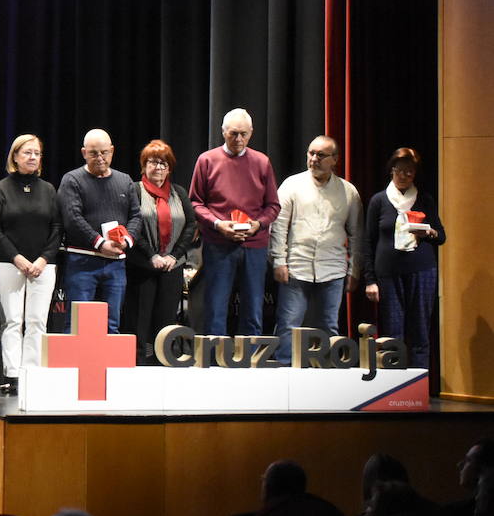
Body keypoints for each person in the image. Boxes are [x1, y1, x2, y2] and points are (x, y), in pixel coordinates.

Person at [188, 108, 280, 337]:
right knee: (215, 306)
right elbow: (196, 203)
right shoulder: (207, 160)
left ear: (251, 133)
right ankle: (213, 361)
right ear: (223, 132)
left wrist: (258, 224)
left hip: (254, 245)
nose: (238, 139)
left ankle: (251, 359)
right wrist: (219, 224)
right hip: (218, 243)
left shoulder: (262, 162)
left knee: (253, 308)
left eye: (244, 134)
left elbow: (273, 206)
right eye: (233, 134)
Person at [270, 136, 362, 365]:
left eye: (321, 155)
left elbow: (357, 235)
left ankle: (326, 378)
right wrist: (279, 261)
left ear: (335, 160)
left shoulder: (348, 191)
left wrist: (355, 271)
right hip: (296, 267)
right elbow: (278, 226)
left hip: (333, 268)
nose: (314, 159)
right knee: (289, 324)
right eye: (311, 153)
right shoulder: (292, 185)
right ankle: (285, 374)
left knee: (328, 325)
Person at [0, 134, 63, 394]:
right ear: (15, 157)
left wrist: (43, 259)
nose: (33, 157)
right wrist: (17, 258)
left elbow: (57, 227)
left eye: (37, 153)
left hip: (44, 265)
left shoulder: (49, 189)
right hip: (9, 263)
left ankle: (32, 373)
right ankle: (13, 375)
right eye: (27, 153)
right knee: (12, 320)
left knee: (37, 321)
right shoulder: (0, 189)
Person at [362, 147, 446, 369]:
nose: (404, 175)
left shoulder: (424, 200)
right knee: (392, 332)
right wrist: (370, 279)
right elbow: (368, 242)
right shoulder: (379, 201)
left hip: (422, 271)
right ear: (392, 170)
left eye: (410, 172)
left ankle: (418, 387)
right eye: (400, 170)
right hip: (388, 273)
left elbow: (441, 236)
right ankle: (394, 389)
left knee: (420, 330)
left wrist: (428, 233)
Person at [56, 129, 140, 333]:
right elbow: (72, 218)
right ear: (84, 153)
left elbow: (136, 216)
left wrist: (126, 241)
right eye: (94, 153)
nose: (100, 158)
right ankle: (73, 365)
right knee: (77, 324)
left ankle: (109, 366)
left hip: (116, 265)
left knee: (112, 324)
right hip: (81, 262)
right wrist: (100, 244)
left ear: (112, 151)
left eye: (104, 152)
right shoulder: (72, 180)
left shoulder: (125, 180)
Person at [125, 140, 197, 365]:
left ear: (170, 167)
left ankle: (161, 365)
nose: (158, 168)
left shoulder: (179, 193)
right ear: (143, 165)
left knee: (165, 322)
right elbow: (133, 227)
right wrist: (152, 256)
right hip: (142, 268)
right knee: (139, 321)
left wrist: (174, 256)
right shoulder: (134, 191)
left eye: (163, 163)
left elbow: (191, 226)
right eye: (153, 162)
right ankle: (135, 366)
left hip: (171, 268)